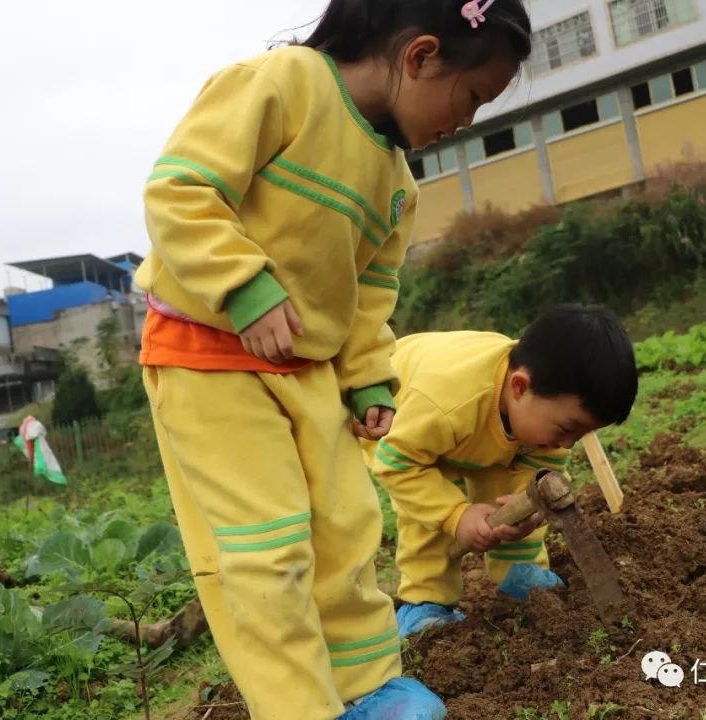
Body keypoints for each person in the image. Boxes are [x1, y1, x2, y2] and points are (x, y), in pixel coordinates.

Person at [135, 1, 533, 717]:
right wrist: (244, 287)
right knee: (269, 547)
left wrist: (367, 377)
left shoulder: (396, 181)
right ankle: (302, 708)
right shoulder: (284, 85)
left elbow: (369, 295)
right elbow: (181, 189)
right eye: (472, 96)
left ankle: (366, 687)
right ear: (420, 56)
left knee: (348, 528)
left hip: (309, 370)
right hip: (207, 357)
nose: (468, 120)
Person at [364, 305, 638, 637]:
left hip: (479, 430)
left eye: (581, 435)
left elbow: (537, 472)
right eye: (567, 429)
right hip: (399, 417)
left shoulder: (539, 409)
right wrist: (456, 515)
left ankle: (518, 573)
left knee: (509, 491)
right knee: (429, 515)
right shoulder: (446, 404)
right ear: (520, 387)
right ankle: (425, 603)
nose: (567, 444)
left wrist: (526, 507)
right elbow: (398, 464)